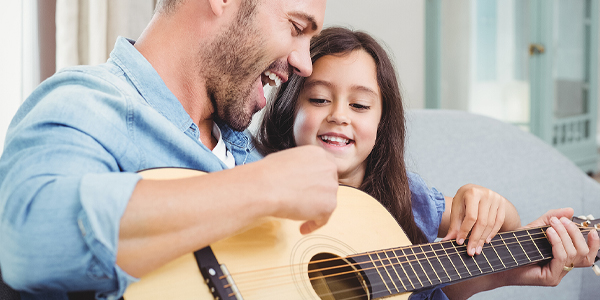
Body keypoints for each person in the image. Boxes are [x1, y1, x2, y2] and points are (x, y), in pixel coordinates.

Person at [0, 0, 341, 299]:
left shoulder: (252, 154)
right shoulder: (88, 104)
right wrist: (265, 186)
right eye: (296, 27)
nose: (305, 65)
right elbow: (26, 241)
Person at [254, 26, 600, 299]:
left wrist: (488, 202)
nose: (339, 115)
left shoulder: (408, 195)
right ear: (289, 108)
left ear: (381, 123)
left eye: (360, 106)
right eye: (318, 98)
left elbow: (507, 228)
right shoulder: (254, 180)